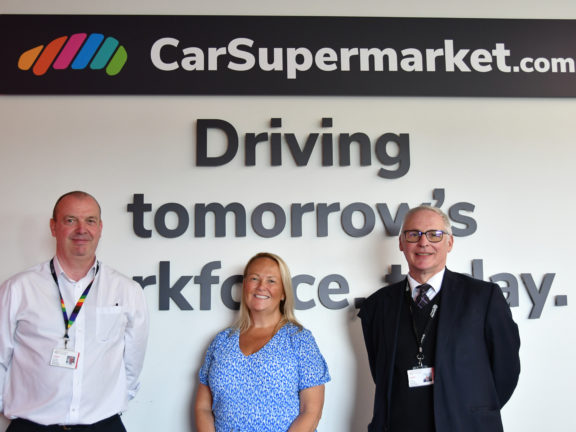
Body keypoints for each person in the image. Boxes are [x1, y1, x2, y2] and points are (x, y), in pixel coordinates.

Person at [359, 205, 520, 432]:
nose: (423, 243)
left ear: (450, 243)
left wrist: (473, 410)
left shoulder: (484, 298)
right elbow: (380, 373)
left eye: (434, 234)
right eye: (413, 234)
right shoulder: (377, 306)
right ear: (401, 243)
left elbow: (506, 371)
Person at [0, 191, 149, 432]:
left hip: (102, 426)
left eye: (90, 221)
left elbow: (133, 363)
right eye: (70, 220)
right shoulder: (17, 289)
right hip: (32, 426)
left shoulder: (127, 290)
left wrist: (109, 405)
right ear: (53, 226)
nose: (82, 229)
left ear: (100, 227)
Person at [195, 252, 330, 432]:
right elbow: (202, 407)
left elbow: (311, 411)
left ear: (283, 293)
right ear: (244, 287)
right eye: (254, 278)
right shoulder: (221, 341)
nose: (261, 287)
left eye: (271, 281)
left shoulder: (299, 339)